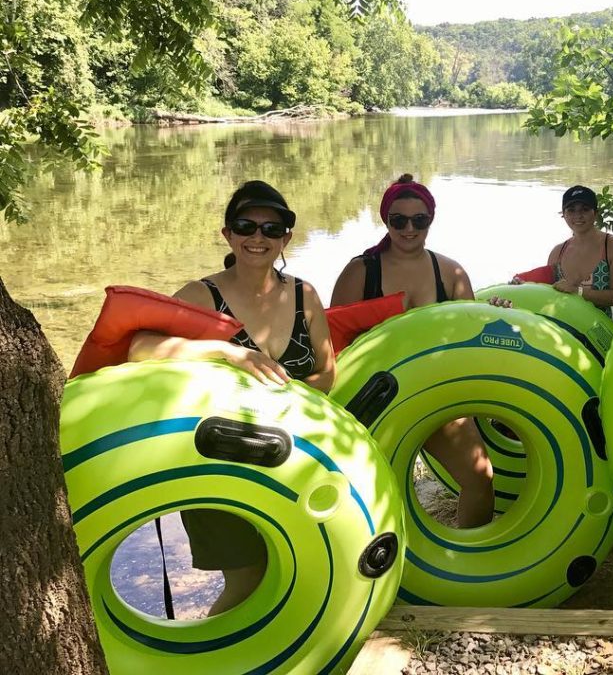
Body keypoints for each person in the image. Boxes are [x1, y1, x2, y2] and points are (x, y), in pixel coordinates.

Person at [129, 180, 336, 614]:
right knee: (249, 575)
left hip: (289, 459)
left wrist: (288, 401)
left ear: (286, 238)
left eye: (270, 229)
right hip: (217, 458)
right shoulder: (201, 295)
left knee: (297, 568)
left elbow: (325, 372)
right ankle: (209, 654)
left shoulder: (305, 295)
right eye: (246, 226)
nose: (257, 237)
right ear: (228, 234)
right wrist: (225, 350)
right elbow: (140, 349)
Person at [330, 174, 495, 528]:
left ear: (430, 220)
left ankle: (462, 567)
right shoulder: (360, 272)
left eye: (419, 220)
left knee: (479, 479)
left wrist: (494, 311)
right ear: (385, 220)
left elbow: (469, 336)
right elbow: (336, 342)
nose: (409, 228)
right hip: (377, 399)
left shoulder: (449, 271)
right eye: (398, 220)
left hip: (436, 393)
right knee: (373, 495)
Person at [544, 185, 613, 317]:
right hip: (561, 331)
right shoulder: (557, 252)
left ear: (595, 213)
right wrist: (521, 285)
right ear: (563, 215)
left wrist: (577, 291)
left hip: (599, 332)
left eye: (584, 209)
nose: (578, 215)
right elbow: (546, 292)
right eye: (571, 210)